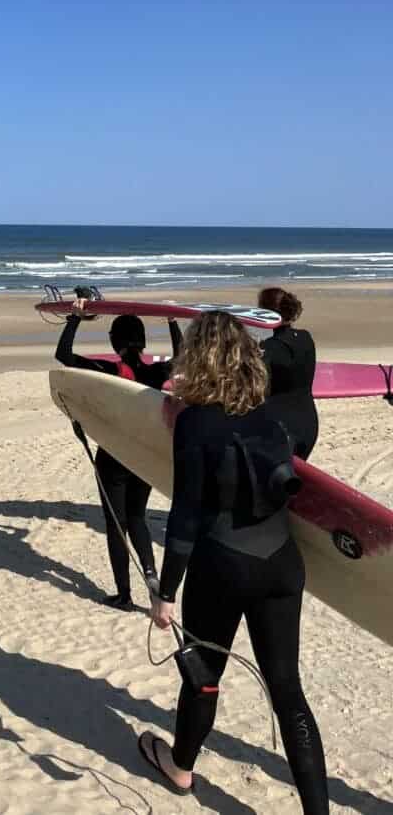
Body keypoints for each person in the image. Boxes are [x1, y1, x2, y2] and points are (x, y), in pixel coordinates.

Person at [142, 311, 328, 812]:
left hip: (221, 568)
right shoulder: (276, 417)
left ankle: (180, 769)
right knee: (289, 693)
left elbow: (184, 517)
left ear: (197, 358)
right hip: (282, 567)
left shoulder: (195, 423)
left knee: (203, 678)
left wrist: (166, 593)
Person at [56, 299, 183, 611]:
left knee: (117, 523)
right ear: (142, 342)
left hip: (113, 457)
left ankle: (124, 595)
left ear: (114, 341)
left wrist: (75, 319)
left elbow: (63, 356)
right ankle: (151, 576)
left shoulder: (107, 371)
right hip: (143, 457)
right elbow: (183, 358)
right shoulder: (155, 373)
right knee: (137, 516)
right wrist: (171, 320)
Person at [258, 287, 318, 459]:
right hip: (309, 422)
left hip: (280, 425)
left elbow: (256, 389)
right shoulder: (306, 338)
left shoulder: (267, 349)